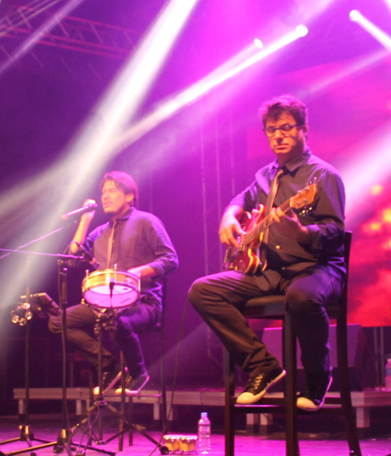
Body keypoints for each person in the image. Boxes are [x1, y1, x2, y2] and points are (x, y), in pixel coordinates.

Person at [188, 95, 347, 411]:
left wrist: (301, 233)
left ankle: (318, 377)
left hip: (317, 269)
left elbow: (334, 232)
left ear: (304, 130)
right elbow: (242, 198)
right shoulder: (265, 175)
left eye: (286, 128)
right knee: (203, 291)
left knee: (300, 298)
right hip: (270, 271)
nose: (278, 136)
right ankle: (262, 366)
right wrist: (229, 215)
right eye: (272, 130)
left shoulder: (322, 176)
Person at [50, 171, 178, 395]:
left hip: (143, 302)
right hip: (103, 302)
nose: (105, 197)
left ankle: (138, 372)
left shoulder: (146, 221)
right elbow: (72, 258)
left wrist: (139, 272)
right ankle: (109, 364)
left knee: (119, 319)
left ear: (130, 196)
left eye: (112, 191)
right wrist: (85, 220)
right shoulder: (100, 232)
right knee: (58, 322)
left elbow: (171, 260)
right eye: (103, 192)